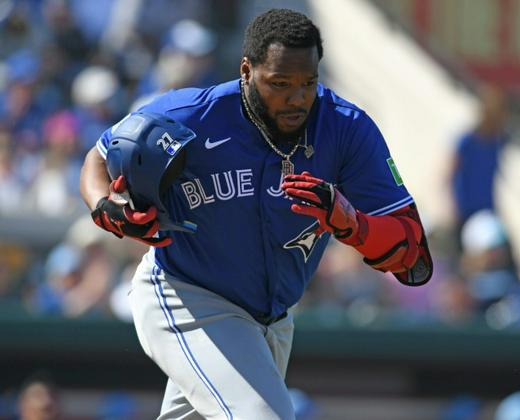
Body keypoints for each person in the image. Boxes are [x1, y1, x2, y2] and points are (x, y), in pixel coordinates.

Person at [80, 9, 432, 419]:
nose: (297, 98)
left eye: (308, 83)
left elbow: (414, 257)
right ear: (247, 71)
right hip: (186, 295)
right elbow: (99, 156)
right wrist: (105, 206)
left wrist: (353, 224)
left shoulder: (345, 128)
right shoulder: (193, 114)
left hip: (272, 323)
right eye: (280, 83)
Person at [449, 82, 509, 238]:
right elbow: (449, 173)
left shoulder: (498, 141)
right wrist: (451, 206)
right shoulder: (466, 141)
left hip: (487, 209)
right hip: (465, 210)